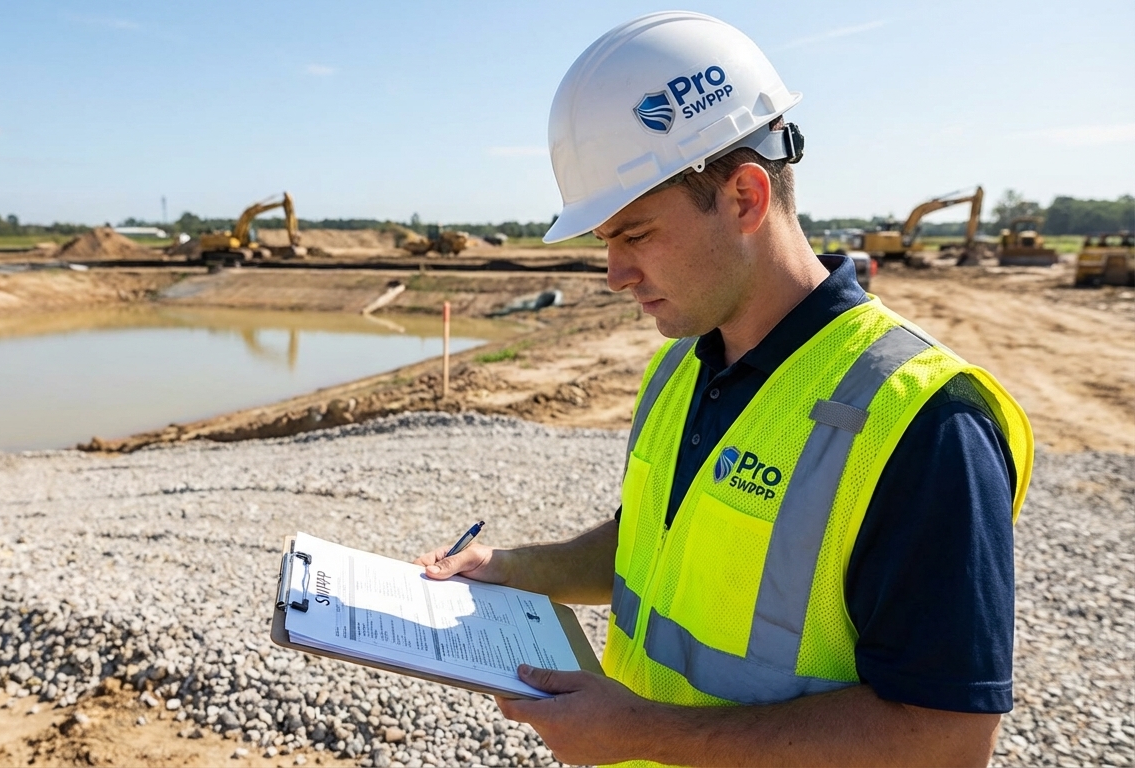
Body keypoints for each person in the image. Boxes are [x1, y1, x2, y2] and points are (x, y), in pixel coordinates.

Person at [414, 11, 1032, 767]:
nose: (614, 276)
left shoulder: (925, 425)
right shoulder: (681, 364)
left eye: (635, 235)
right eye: (604, 241)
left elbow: (946, 738)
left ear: (744, 196)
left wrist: (641, 731)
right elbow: (656, 547)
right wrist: (516, 570)